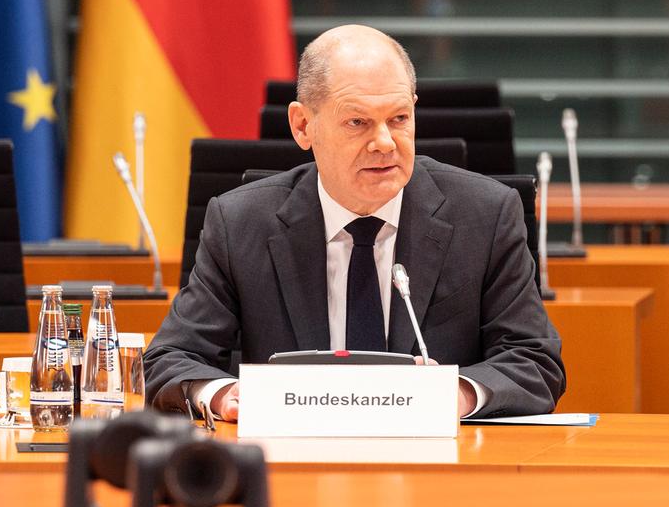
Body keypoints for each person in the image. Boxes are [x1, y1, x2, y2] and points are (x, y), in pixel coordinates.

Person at [145, 24, 565, 420]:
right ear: (303, 126)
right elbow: (170, 359)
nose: (384, 142)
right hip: (294, 473)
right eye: (358, 122)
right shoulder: (240, 223)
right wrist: (225, 397)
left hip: (438, 473)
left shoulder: (485, 215)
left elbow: (534, 362)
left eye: (399, 119)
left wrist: (455, 392)